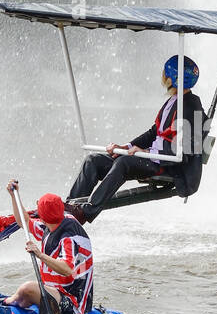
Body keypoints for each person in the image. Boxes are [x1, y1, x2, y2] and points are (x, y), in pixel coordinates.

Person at [67, 55, 205, 223]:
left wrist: (145, 152)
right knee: (93, 160)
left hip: (168, 165)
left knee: (124, 163)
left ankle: (86, 212)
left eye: (165, 74)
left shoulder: (192, 107)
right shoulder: (175, 100)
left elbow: (185, 150)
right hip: (154, 158)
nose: (163, 77)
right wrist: (127, 146)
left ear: (172, 79)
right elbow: (155, 132)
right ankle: (69, 207)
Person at [4, 183, 94, 314]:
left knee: (27, 289)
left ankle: (4, 303)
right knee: (27, 290)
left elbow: (67, 269)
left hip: (72, 302)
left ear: (43, 218)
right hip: (55, 292)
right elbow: (24, 222)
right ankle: (11, 301)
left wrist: (40, 255)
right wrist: (14, 196)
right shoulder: (54, 222)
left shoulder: (68, 238)